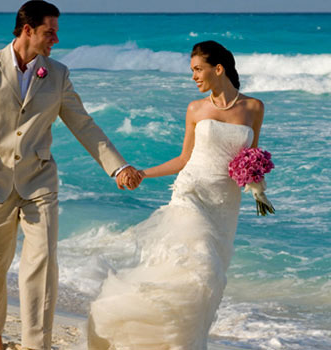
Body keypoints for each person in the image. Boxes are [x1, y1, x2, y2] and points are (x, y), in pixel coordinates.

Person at [0, 1, 141, 349]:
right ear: (27, 30)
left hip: (39, 180)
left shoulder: (58, 73)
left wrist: (118, 165)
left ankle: (36, 343)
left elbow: (83, 124)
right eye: (49, 31)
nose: (56, 38)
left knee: (42, 265)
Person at [87, 40, 265, 349]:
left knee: (208, 282)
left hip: (225, 205)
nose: (194, 76)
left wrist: (257, 186)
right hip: (191, 194)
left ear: (218, 69)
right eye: (192, 71)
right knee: (200, 267)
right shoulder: (195, 109)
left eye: (198, 69)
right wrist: (142, 172)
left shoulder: (253, 108)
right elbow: (184, 159)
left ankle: (179, 342)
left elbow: (249, 159)